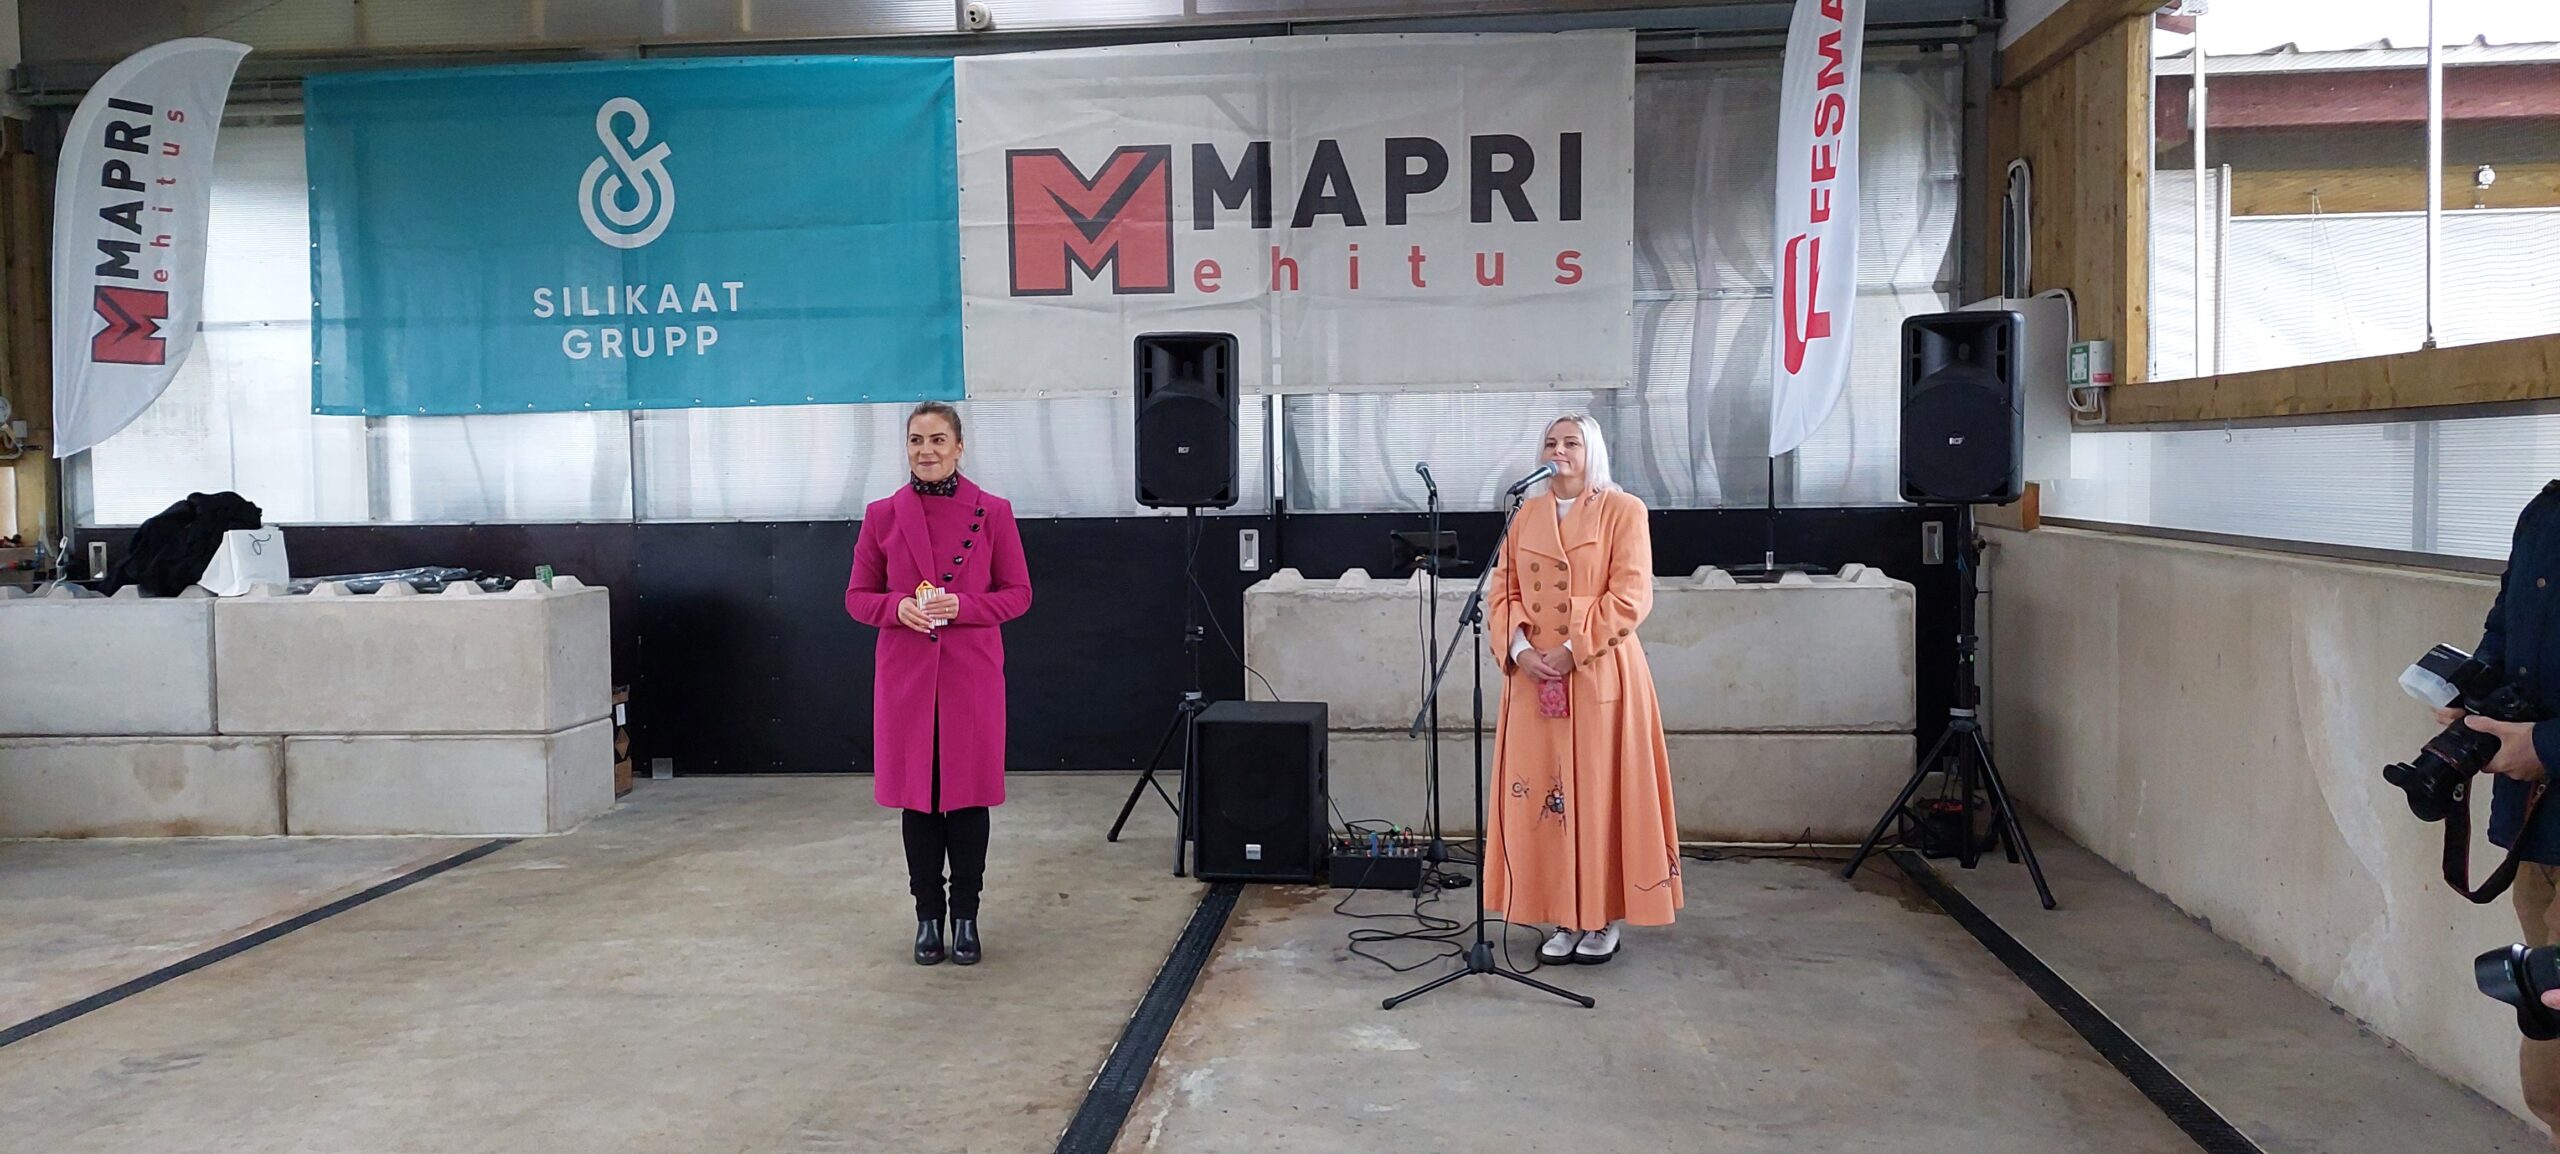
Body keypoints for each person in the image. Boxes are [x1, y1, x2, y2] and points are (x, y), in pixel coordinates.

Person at [1482, 413, 1683, 965]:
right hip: (1534, 677)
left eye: (1571, 442)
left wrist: (1573, 648)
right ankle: (1561, 915)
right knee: (1546, 794)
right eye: (1551, 442)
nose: (1559, 451)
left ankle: (1600, 917)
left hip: (1599, 670)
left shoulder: (1624, 510)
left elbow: (1631, 596)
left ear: (1592, 450)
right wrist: (1520, 651)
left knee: (1597, 792)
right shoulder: (1525, 514)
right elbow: (1503, 590)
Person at [844, 402, 1032, 966]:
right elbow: (856, 597)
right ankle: (928, 917)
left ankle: (966, 917)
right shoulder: (882, 515)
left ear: (959, 446)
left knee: (968, 798)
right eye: (916, 440)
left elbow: (1019, 594)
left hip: (970, 676)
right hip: (906, 678)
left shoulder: (993, 511)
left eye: (937, 440)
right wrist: (896, 607)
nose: (926, 450)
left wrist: (964, 606)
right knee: (919, 801)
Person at [2439, 480, 2560, 1136]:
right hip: (2537, 833)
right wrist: (2474, 692)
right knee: (2548, 1065)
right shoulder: (2546, 510)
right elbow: (2506, 627)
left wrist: (2544, 745)